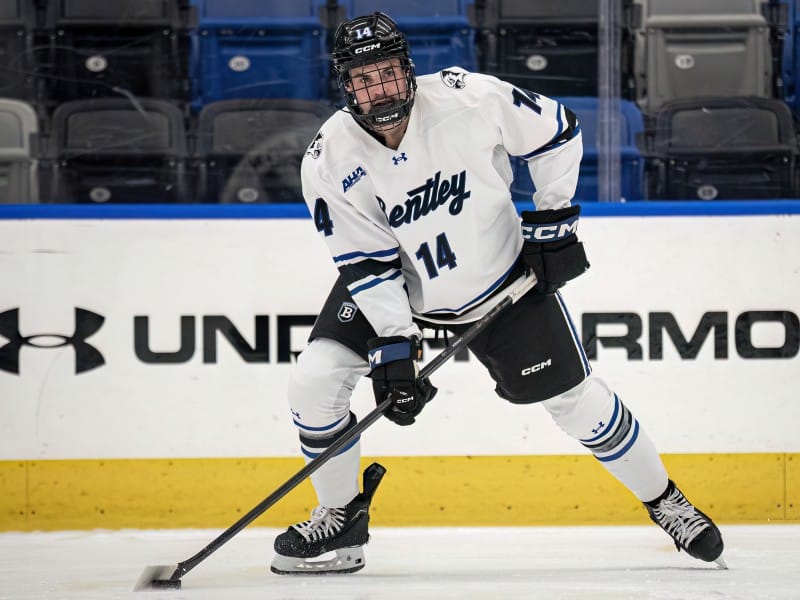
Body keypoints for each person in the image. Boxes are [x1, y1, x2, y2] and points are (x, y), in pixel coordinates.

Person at [270, 11, 725, 575]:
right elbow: (366, 262)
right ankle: (342, 519)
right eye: (364, 79)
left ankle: (666, 502)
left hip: (503, 282)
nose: (379, 89)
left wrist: (554, 219)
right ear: (346, 85)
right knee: (315, 379)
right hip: (402, 291)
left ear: (407, 69)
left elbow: (557, 130)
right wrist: (395, 346)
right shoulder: (328, 159)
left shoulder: (468, 97)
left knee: (577, 403)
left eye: (387, 73)